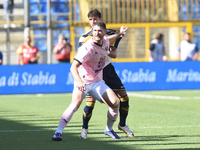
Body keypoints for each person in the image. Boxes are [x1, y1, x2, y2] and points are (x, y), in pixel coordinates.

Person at [52, 21, 121, 141]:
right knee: (75, 105)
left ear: (104, 32)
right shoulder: (87, 48)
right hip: (84, 81)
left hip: (98, 83)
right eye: (94, 31)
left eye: (99, 31)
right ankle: (58, 132)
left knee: (115, 103)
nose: (96, 33)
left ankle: (109, 129)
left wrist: (120, 33)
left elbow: (111, 37)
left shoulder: (105, 41)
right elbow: (73, 67)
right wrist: (79, 82)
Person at [78, 9, 134, 139]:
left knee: (124, 98)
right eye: (91, 19)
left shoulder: (111, 33)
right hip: (92, 72)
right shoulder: (85, 37)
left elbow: (114, 53)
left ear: (100, 20)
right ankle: (84, 128)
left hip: (107, 69)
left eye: (95, 19)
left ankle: (122, 124)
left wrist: (109, 48)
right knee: (90, 104)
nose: (93, 22)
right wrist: (119, 33)